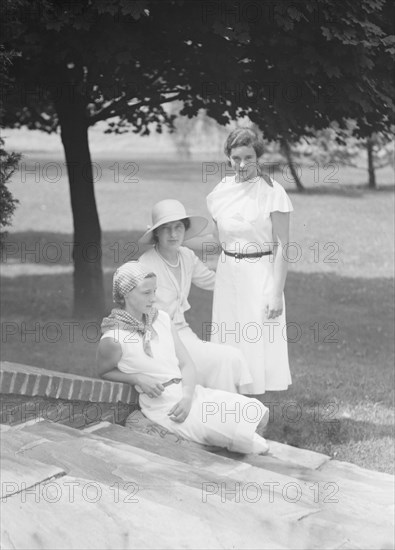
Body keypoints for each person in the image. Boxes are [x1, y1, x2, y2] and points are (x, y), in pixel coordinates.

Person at [96, 261, 269, 454]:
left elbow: (186, 364)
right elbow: (104, 371)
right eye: (146, 292)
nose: (153, 298)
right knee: (249, 439)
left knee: (258, 414)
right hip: (165, 408)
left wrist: (187, 397)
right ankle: (220, 442)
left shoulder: (161, 319)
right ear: (126, 294)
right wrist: (136, 378)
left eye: (155, 291)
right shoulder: (113, 339)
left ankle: (223, 440)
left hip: (190, 394)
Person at [206, 127, 293, 398]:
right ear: (228, 158)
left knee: (256, 343)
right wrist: (169, 240)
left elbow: (283, 246)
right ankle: (229, 403)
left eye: (248, 157)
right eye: (235, 158)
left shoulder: (272, 192)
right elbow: (217, 240)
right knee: (229, 339)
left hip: (260, 275)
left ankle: (255, 412)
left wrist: (276, 293)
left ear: (258, 158)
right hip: (228, 274)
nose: (241, 164)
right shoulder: (221, 191)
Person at [136, 199, 254, 394]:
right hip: (160, 339)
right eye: (166, 229)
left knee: (229, 358)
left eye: (178, 227)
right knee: (226, 358)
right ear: (156, 232)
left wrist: (249, 278)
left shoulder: (186, 256)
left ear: (185, 229)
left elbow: (214, 282)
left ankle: (226, 410)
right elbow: (136, 310)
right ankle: (227, 411)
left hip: (185, 334)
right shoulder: (146, 264)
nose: (173, 234)